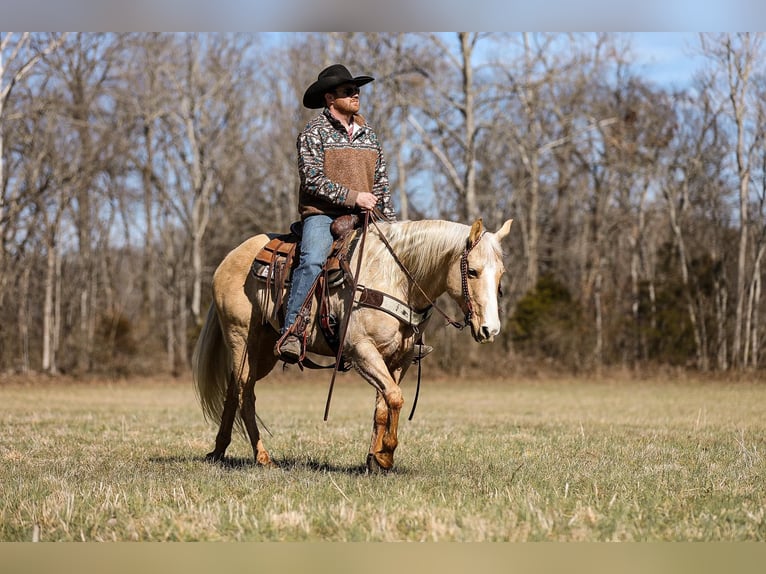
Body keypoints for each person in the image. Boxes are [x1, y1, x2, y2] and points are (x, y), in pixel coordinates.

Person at [275, 64, 396, 363]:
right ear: (330, 98)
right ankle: (293, 330)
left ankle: (401, 335)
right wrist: (355, 197)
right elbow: (312, 181)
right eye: (347, 91)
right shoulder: (313, 133)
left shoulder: (370, 136)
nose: (355, 95)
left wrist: (392, 224)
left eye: (356, 90)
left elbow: (380, 183)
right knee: (313, 258)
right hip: (323, 214)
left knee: (396, 260)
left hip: (365, 215)